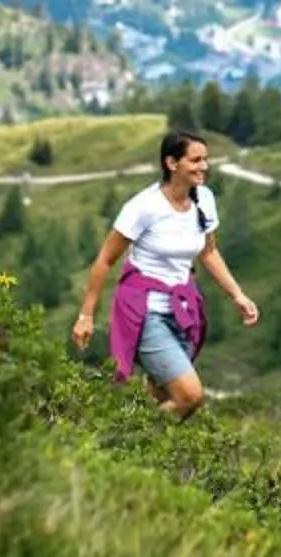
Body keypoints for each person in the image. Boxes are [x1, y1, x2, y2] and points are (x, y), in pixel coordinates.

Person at [70, 129, 261, 419]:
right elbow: (104, 261)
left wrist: (237, 294)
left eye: (206, 160)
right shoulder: (143, 207)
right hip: (146, 313)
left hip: (182, 309)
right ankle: (129, 444)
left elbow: (208, 252)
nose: (204, 167)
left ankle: (133, 451)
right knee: (189, 396)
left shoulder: (204, 200)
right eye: (195, 160)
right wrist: (86, 316)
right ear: (172, 164)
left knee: (162, 397)